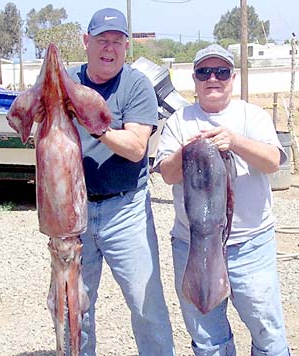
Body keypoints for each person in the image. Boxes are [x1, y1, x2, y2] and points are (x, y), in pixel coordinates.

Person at [153, 44, 291, 356]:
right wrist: (187, 151)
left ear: (232, 77)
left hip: (250, 245)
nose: (212, 78)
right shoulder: (178, 122)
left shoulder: (251, 116)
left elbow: (272, 162)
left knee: (267, 333)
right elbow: (168, 174)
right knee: (207, 339)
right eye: (204, 72)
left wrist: (236, 141)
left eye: (221, 72)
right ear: (195, 78)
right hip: (193, 246)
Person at [67, 8, 175, 356]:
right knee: (74, 307)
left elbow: (135, 148)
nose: (109, 48)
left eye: (117, 41)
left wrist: (94, 124)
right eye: (102, 40)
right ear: (86, 42)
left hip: (125, 210)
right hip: (74, 213)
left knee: (146, 305)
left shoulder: (136, 84)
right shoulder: (66, 81)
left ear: (126, 47)